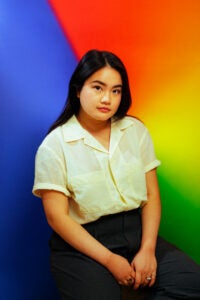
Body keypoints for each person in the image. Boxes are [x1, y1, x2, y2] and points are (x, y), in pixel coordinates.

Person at [32, 49, 200, 300]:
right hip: (83, 245)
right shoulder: (55, 145)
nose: (107, 99)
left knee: (192, 284)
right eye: (97, 88)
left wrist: (147, 249)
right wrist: (110, 259)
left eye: (116, 90)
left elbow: (151, 196)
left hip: (136, 234)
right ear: (78, 90)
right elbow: (57, 218)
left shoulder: (135, 130)